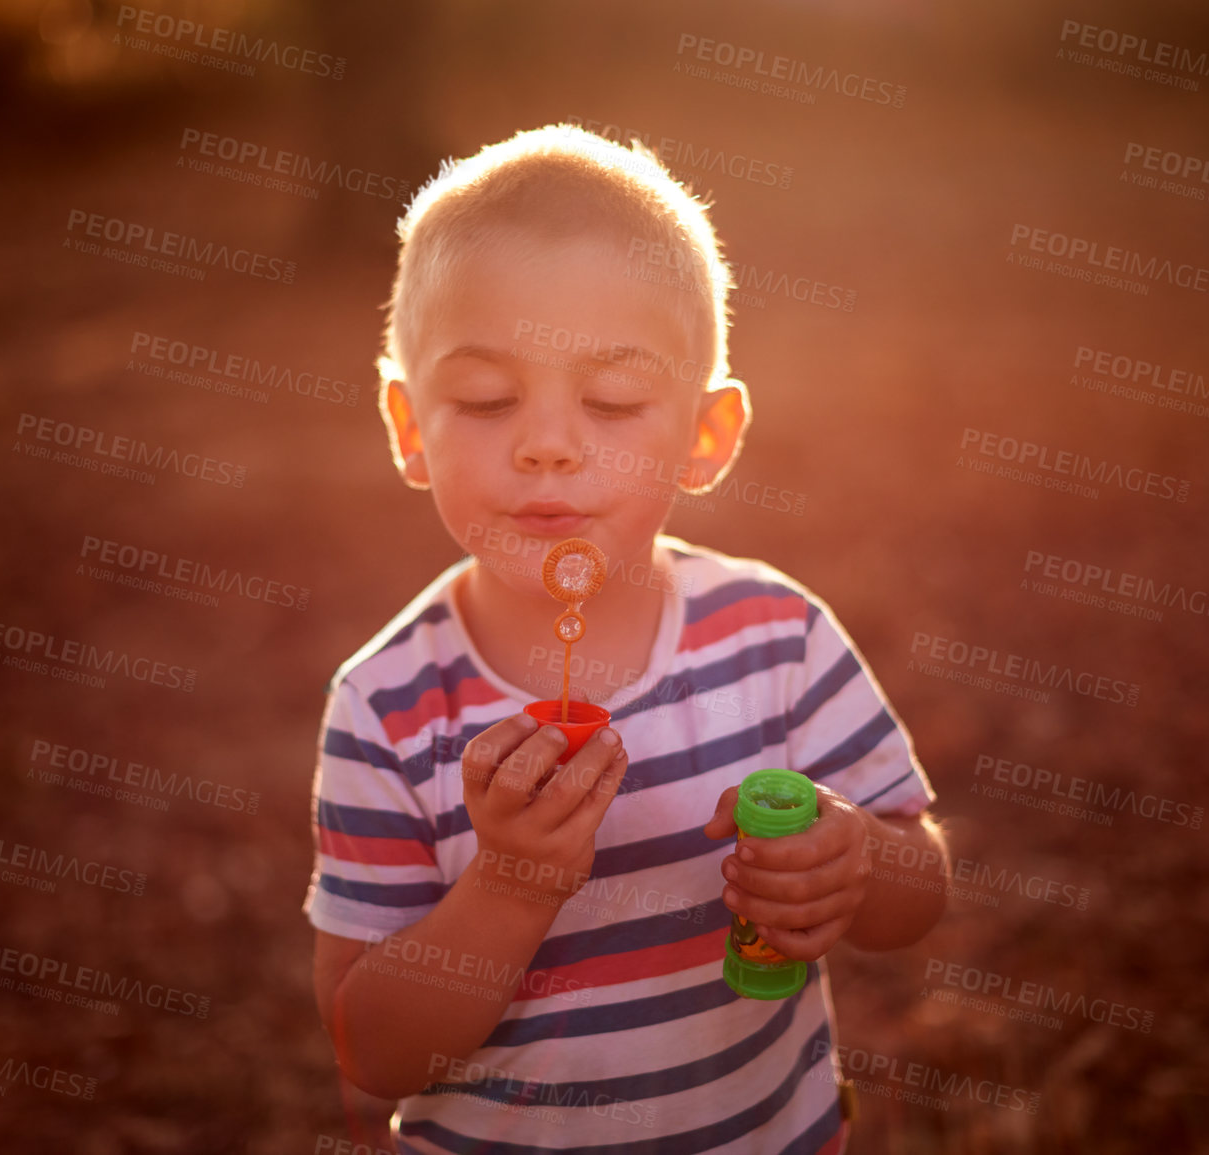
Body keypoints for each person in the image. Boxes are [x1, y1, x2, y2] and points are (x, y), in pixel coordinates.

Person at [303, 123, 950, 1153]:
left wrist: (855, 859)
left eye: (610, 400)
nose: (548, 444)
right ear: (408, 425)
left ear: (705, 437)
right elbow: (370, 1051)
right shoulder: (386, 703)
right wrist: (510, 884)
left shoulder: (775, 638)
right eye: (484, 398)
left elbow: (917, 892)